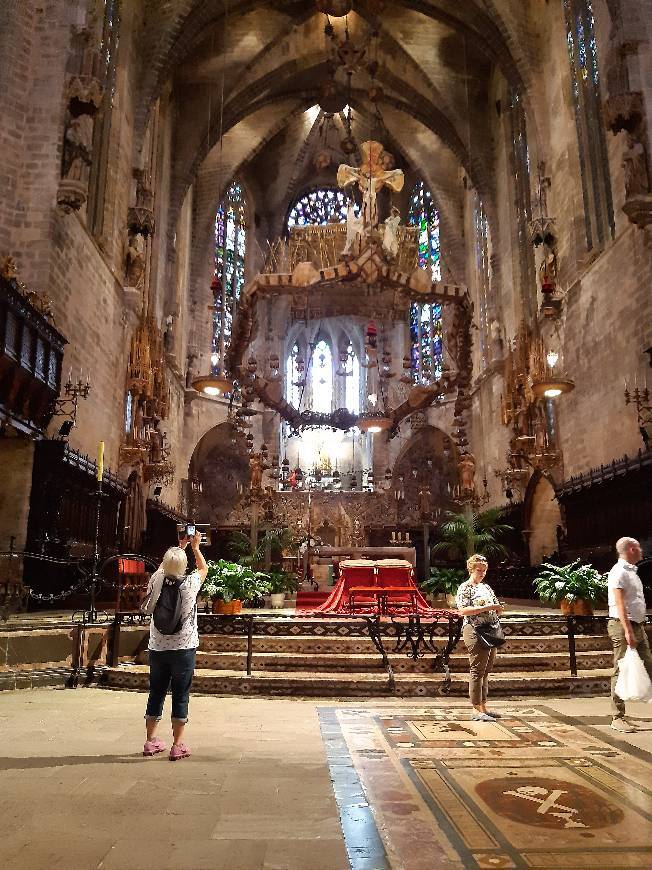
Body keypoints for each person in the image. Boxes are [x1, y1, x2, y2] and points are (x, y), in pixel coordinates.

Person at [142, 531, 208, 759]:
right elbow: (203, 569)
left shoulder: (156, 580)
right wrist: (195, 547)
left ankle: (150, 742)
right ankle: (177, 745)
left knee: (156, 692)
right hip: (183, 648)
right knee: (180, 694)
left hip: (157, 648)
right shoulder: (189, 584)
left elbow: (164, 567)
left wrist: (178, 547)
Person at [607, 536, 651, 733]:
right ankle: (617, 716)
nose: (642, 551)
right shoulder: (619, 572)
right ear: (631, 549)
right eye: (639, 548)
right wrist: (627, 630)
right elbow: (619, 603)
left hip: (638, 625)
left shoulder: (632, 571)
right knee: (621, 668)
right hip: (622, 625)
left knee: (649, 664)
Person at [455, 554, 504, 721]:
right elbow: (463, 610)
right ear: (471, 569)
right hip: (475, 630)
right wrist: (488, 607)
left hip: (491, 630)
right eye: (479, 570)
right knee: (477, 670)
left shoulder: (486, 587)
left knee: (486, 671)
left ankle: (484, 707)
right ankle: (476, 710)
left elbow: (495, 604)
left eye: (484, 570)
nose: (482, 573)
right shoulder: (465, 587)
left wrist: (497, 609)